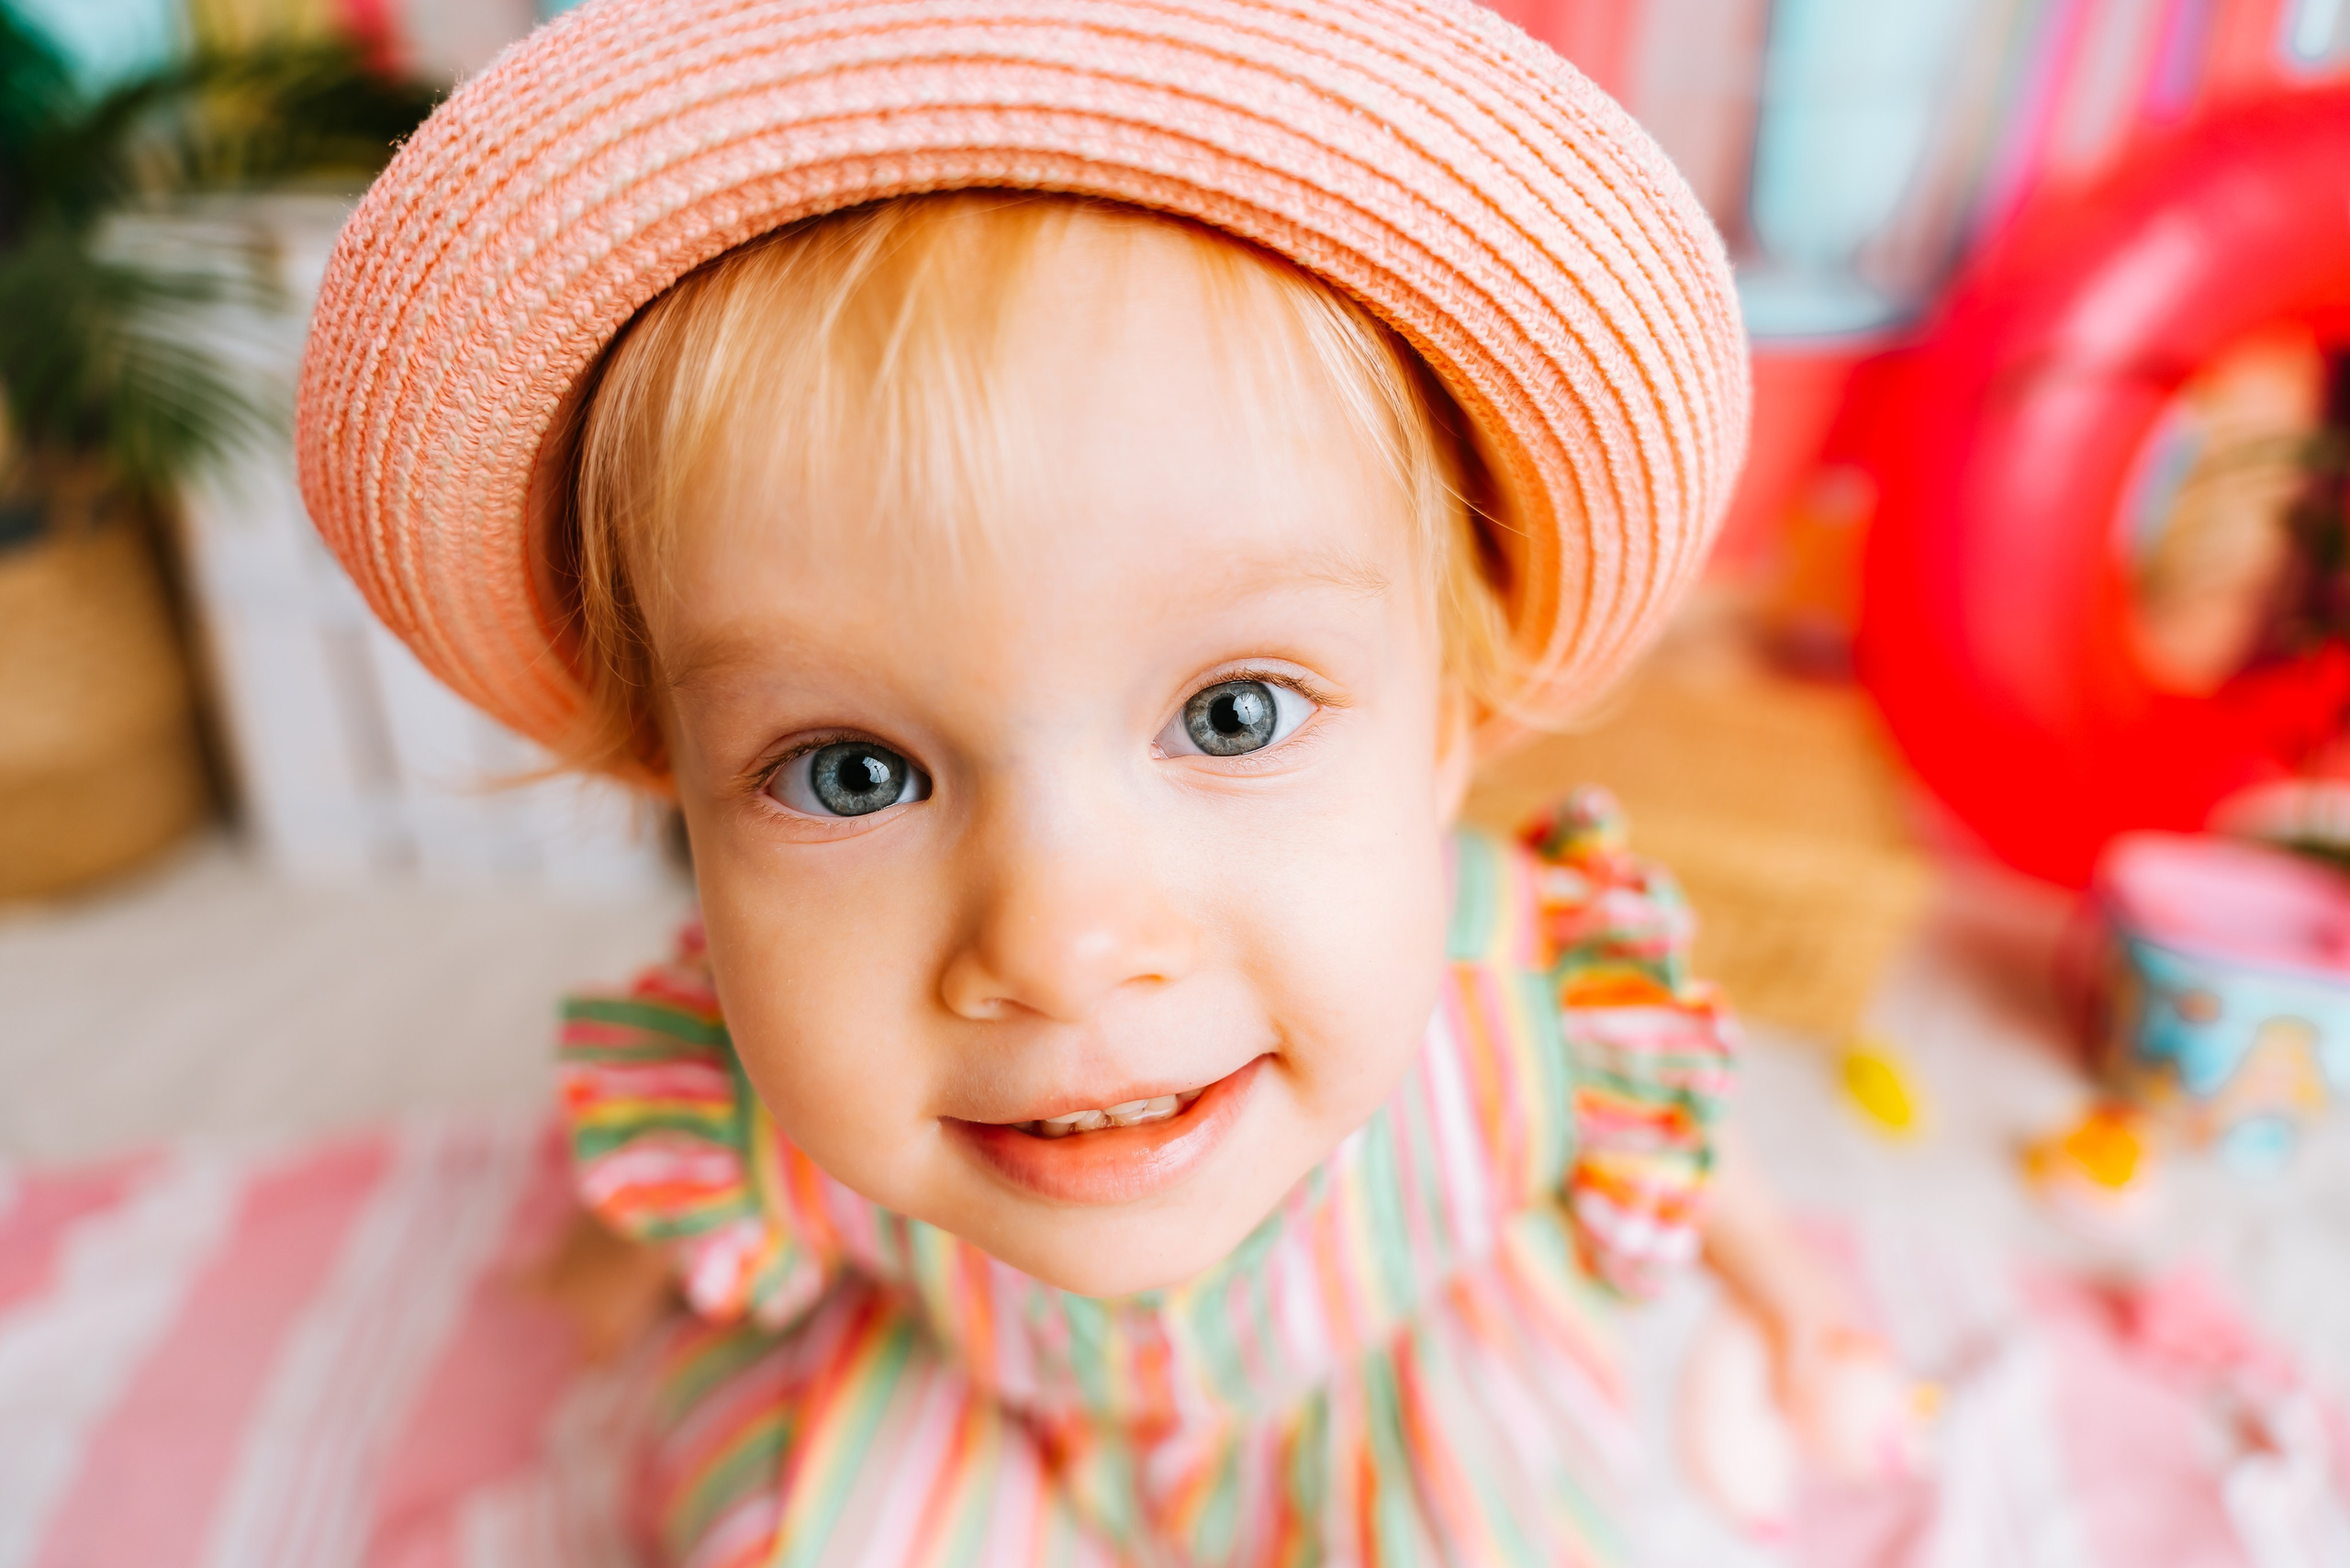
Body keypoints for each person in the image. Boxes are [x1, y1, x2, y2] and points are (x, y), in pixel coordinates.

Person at [297, 1, 1897, 1560]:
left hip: (1381, 1396)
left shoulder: (1531, 989)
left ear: (1450, 731)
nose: (1060, 946)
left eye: (1235, 715)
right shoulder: (762, 1052)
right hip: (973, 1395)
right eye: (854, 774)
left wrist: (1800, 1301)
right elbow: (684, 1169)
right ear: (683, 791)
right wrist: (582, 1297)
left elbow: (1700, 1146)